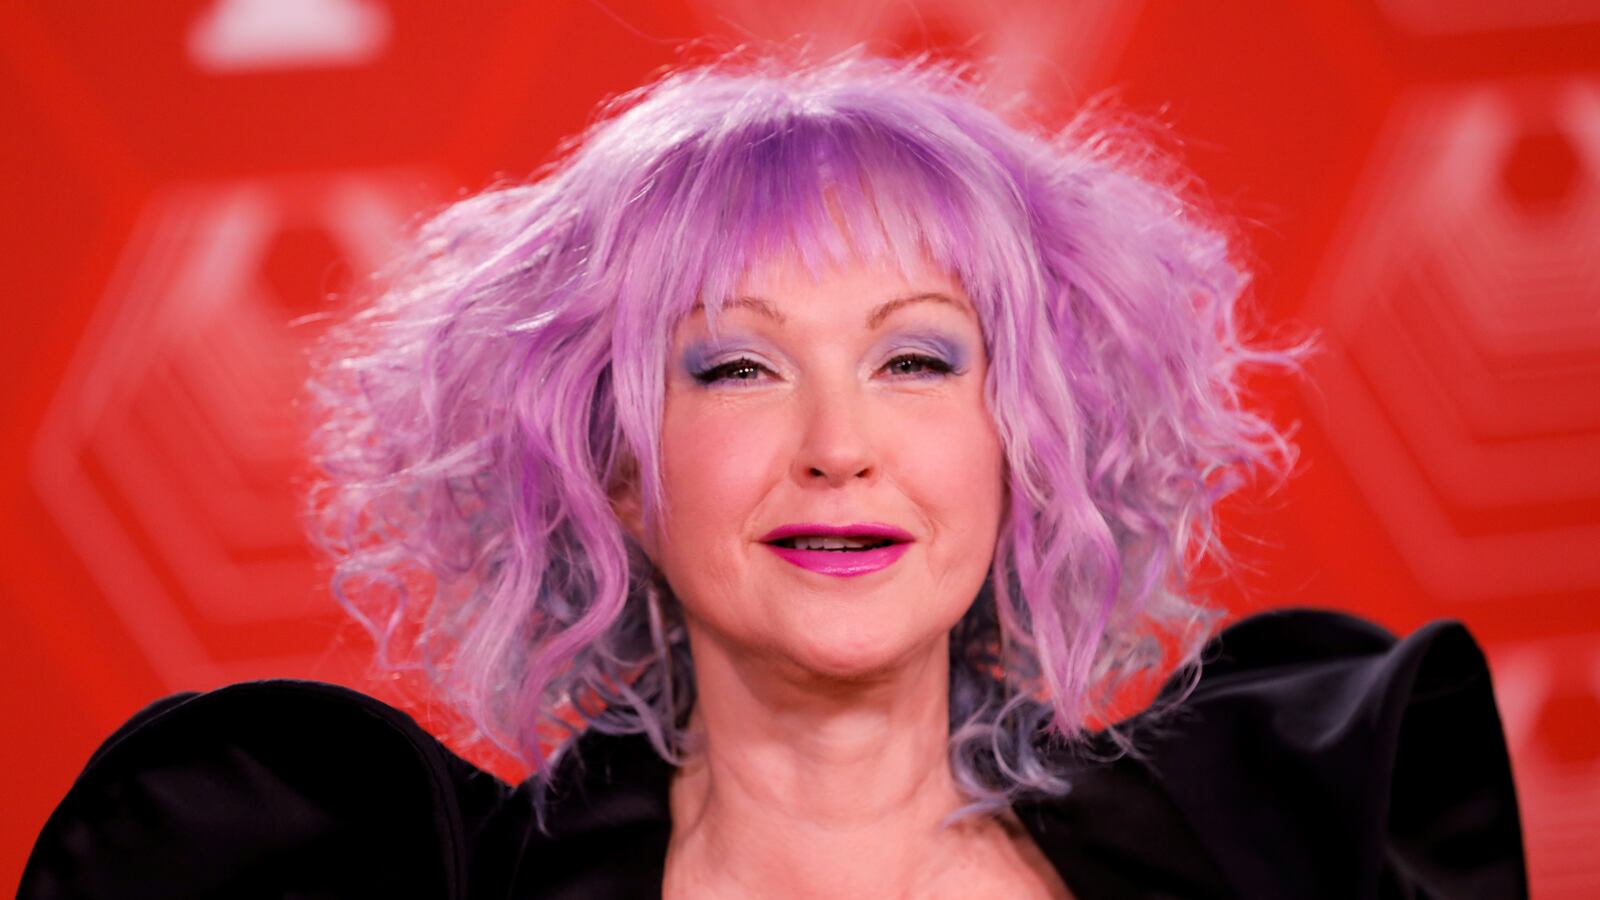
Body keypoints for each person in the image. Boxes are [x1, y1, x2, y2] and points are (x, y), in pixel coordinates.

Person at [21, 50, 1526, 898]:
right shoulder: (378, 885)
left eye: (918, 360)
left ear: (1030, 438)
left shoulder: (1304, 850)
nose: (837, 444)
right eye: (736, 366)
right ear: (612, 464)